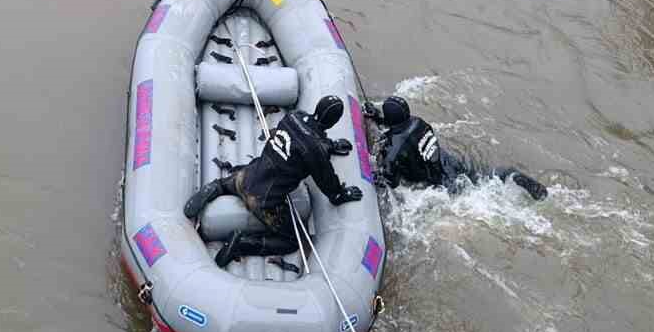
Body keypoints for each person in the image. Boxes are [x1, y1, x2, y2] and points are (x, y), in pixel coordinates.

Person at [183, 95, 363, 267]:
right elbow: (327, 181)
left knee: (227, 183)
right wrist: (340, 195)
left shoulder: (294, 117)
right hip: (263, 200)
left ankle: (212, 188)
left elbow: (301, 140)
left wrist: (329, 146)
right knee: (293, 240)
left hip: (248, 176)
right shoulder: (316, 150)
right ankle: (242, 244)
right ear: (333, 122)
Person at [363, 97, 548, 200]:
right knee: (489, 178)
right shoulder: (418, 122)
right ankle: (534, 188)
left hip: (437, 185)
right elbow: (399, 129)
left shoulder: (393, 148)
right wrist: (378, 117)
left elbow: (391, 182)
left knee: (472, 196)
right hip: (451, 166)